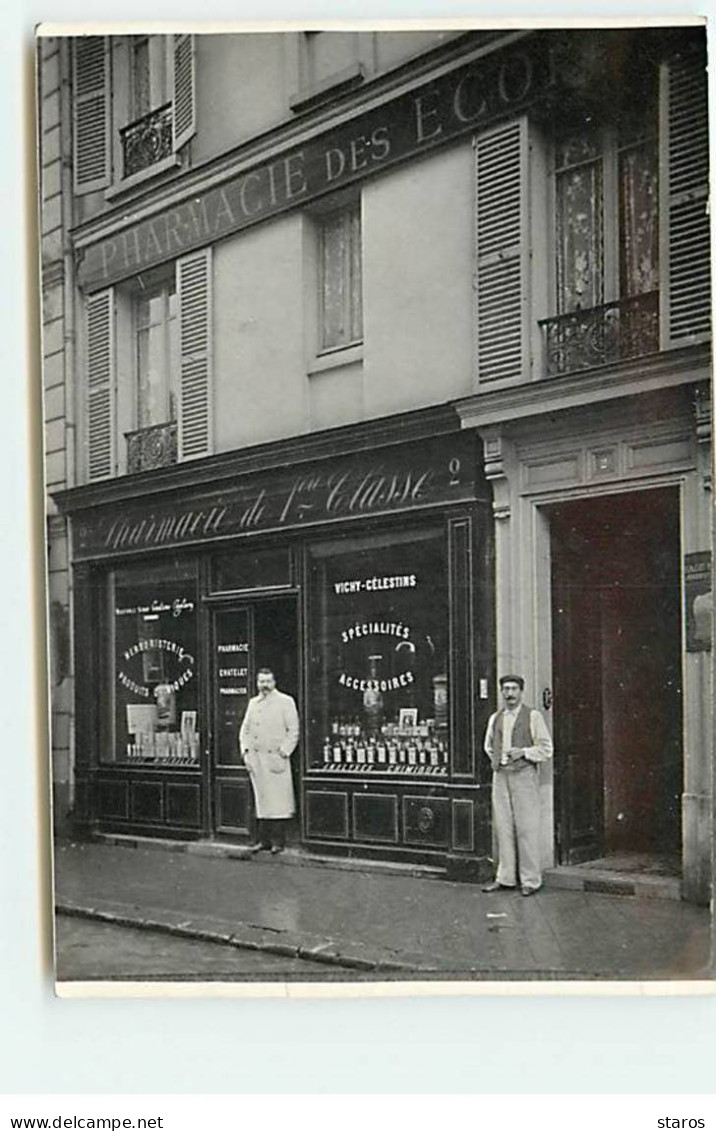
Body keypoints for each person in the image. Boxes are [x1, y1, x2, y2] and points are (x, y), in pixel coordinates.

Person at [482, 674, 553, 896]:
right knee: (503, 827)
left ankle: (531, 881)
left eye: (513, 689)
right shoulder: (496, 717)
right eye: (505, 689)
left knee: (526, 828)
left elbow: (546, 749)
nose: (509, 693)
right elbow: (488, 745)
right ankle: (506, 878)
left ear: (521, 692)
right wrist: (498, 761)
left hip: (524, 775)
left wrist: (523, 752)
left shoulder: (533, 716)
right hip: (501, 776)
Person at [239, 668, 299, 855]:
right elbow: (245, 730)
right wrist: (246, 752)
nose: (264, 686)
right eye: (261, 682)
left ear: (275, 683)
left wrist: (283, 752)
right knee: (262, 801)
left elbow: (293, 730)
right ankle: (263, 841)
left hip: (275, 759)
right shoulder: (253, 703)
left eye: (268, 681)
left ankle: (278, 842)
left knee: (278, 803)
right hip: (257, 760)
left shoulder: (285, 702)